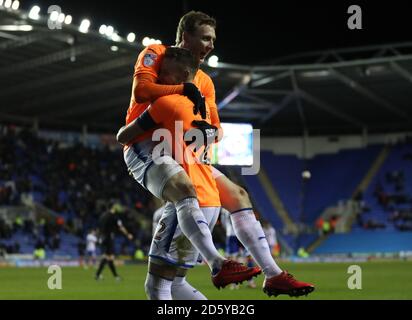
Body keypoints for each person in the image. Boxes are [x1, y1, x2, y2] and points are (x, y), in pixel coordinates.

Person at [121, 11, 315, 297]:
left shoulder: (206, 82)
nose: (211, 44)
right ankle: (217, 263)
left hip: (183, 152)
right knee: (182, 190)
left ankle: (273, 275)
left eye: (213, 39)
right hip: (146, 145)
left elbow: (216, 128)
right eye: (205, 38)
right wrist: (184, 89)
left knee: (238, 195)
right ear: (186, 36)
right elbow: (141, 91)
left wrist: (205, 135)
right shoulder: (156, 53)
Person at [120, 47, 260, 290]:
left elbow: (124, 135)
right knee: (177, 284)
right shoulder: (205, 111)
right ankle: (264, 270)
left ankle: (217, 261)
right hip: (209, 202)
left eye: (165, 73)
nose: (161, 78)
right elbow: (217, 132)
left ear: (183, 73)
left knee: (156, 287)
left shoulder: (165, 102)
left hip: (186, 204)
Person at [95, 204, 133, 281]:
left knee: (108, 257)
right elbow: (121, 227)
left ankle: (111, 276)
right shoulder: (114, 217)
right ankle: (110, 276)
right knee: (109, 257)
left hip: (102, 238)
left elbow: (98, 228)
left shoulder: (103, 216)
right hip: (109, 238)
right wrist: (128, 234)